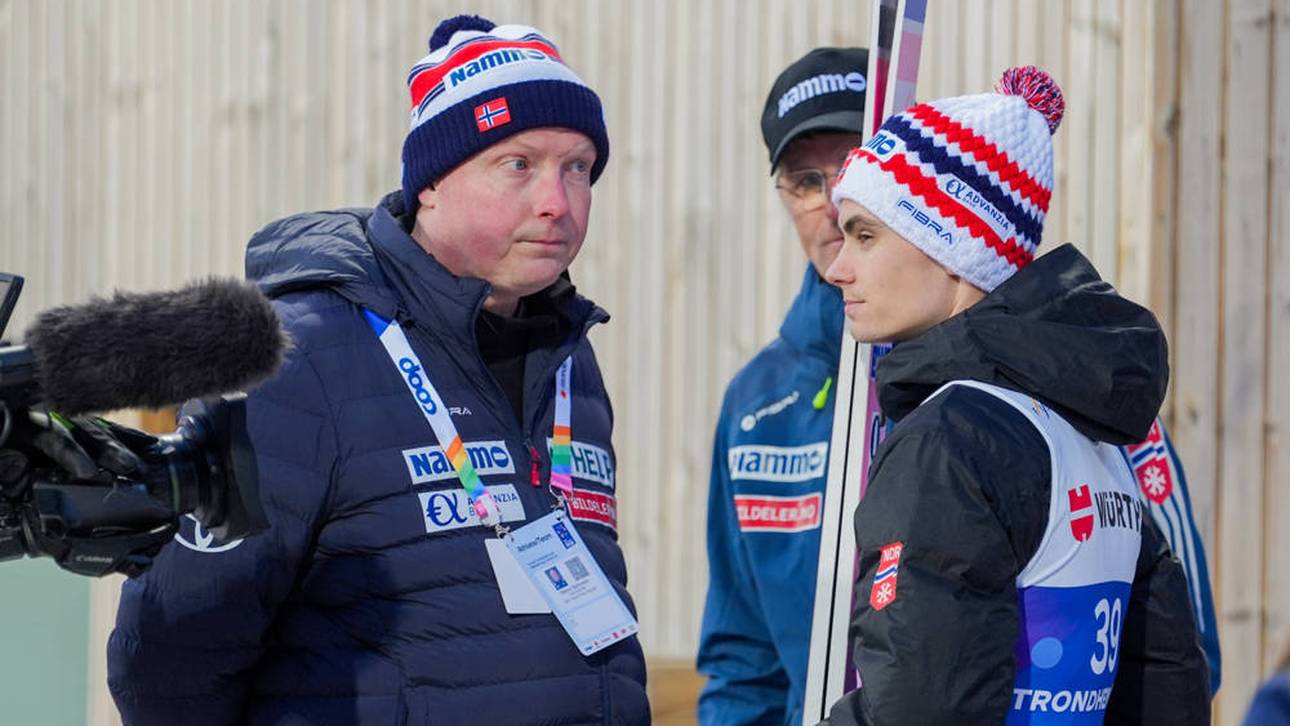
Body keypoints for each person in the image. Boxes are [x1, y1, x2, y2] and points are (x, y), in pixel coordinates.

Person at [107, 15, 647, 725]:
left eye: (577, 168)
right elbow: (171, 651)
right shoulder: (296, 358)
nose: (557, 201)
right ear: (432, 184)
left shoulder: (567, 354)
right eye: (518, 164)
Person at [819, 67, 1209, 724]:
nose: (838, 268)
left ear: (950, 245)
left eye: (865, 235)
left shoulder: (950, 440)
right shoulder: (1088, 427)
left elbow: (919, 708)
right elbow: (1167, 678)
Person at [695, 47, 866, 726]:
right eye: (805, 180)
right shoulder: (759, 404)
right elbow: (746, 661)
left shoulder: (1014, 367)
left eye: (854, 166)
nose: (832, 203)